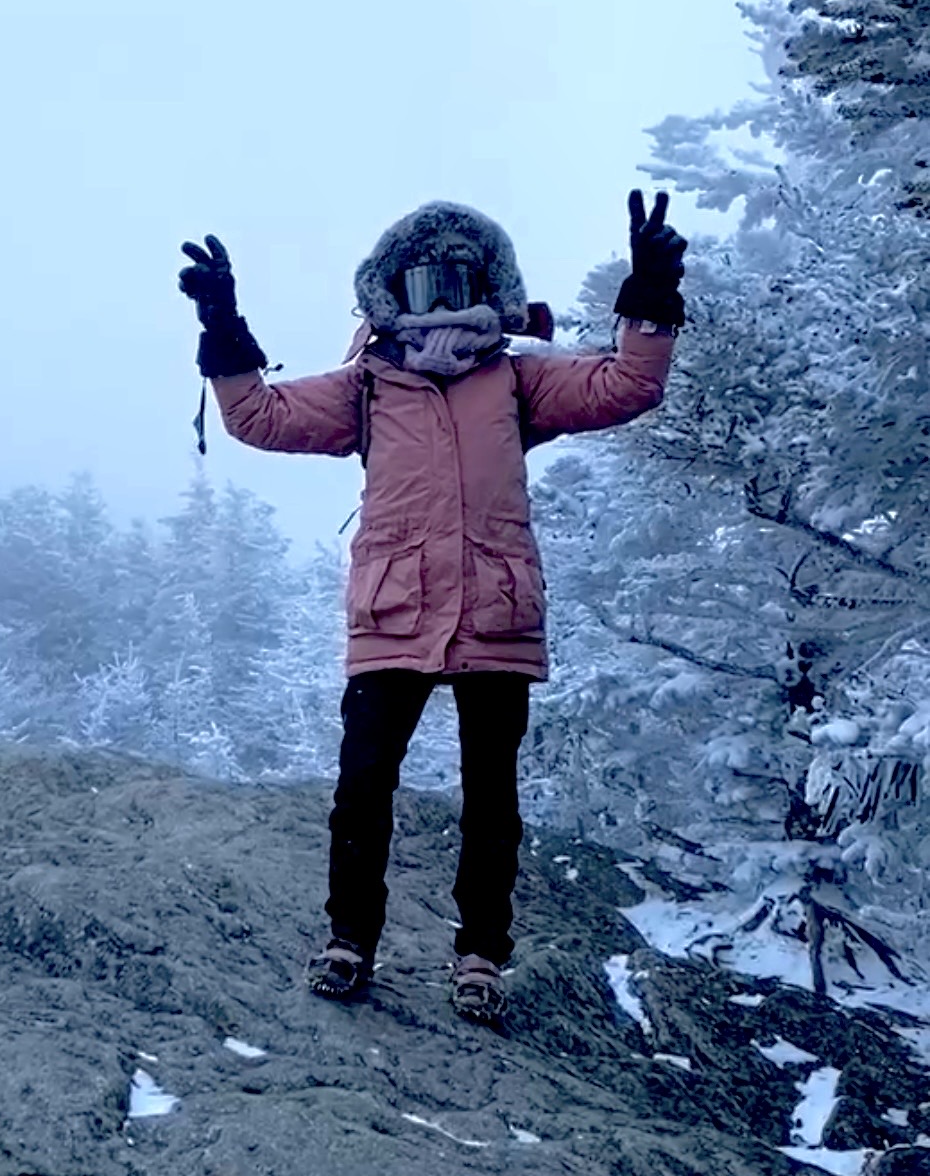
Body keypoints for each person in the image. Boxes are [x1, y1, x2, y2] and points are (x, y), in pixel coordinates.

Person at [178, 193, 685, 1029]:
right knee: (364, 784)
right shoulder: (366, 390)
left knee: (493, 799)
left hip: (495, 611)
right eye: (422, 284)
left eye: (458, 281)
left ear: (490, 283)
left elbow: (629, 384)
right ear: (388, 294)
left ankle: (481, 955)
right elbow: (256, 417)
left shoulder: (517, 381)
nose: (443, 302)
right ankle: (349, 942)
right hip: (394, 612)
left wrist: (652, 293)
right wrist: (223, 322)